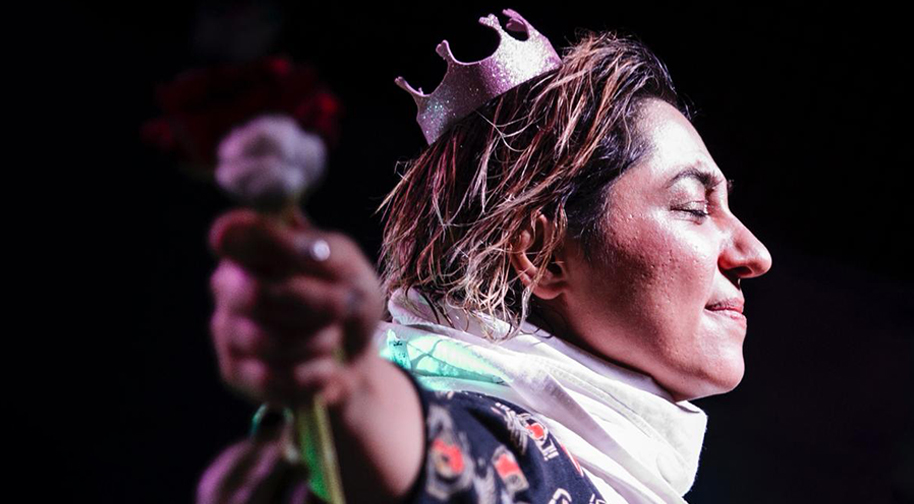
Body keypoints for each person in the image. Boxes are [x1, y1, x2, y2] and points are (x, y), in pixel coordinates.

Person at [198, 11, 772, 504]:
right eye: (694, 207)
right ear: (543, 256)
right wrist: (346, 383)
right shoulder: (514, 452)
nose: (755, 254)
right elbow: (446, 454)